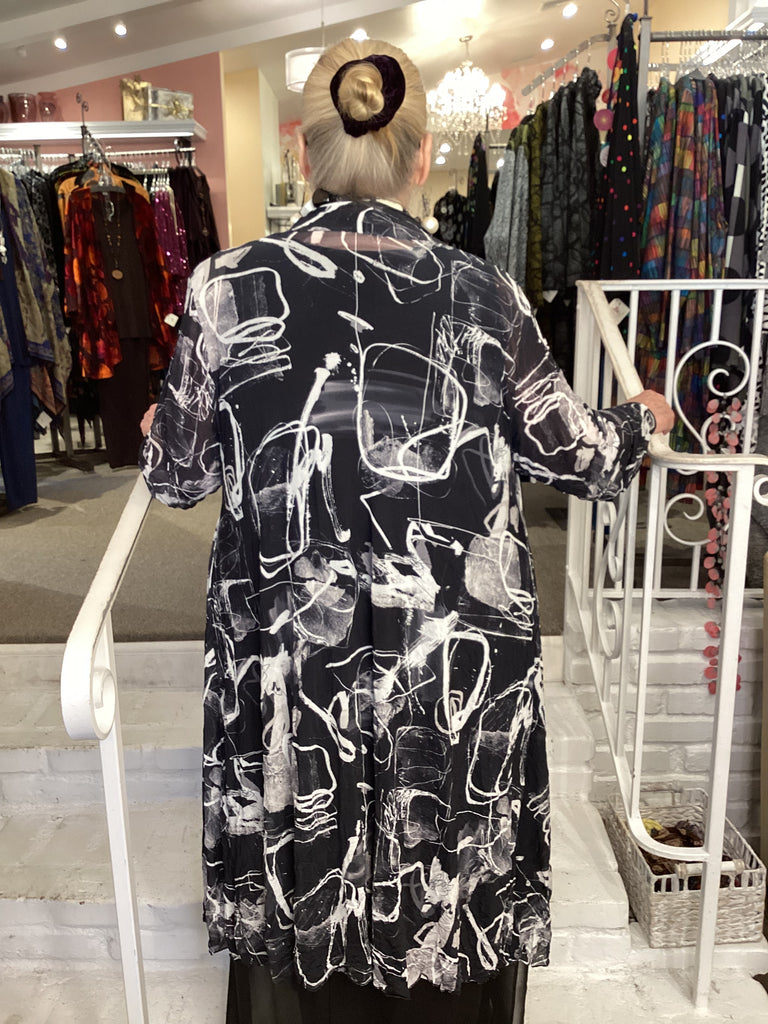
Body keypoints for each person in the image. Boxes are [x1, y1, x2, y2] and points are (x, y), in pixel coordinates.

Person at [139, 36, 674, 1024]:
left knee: (303, 856)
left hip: (294, 673)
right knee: (443, 863)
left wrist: (169, 426)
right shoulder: (484, 295)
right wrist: (643, 417)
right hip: (446, 672)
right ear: (423, 155)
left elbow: (176, 475)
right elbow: (581, 458)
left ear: (305, 152)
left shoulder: (222, 289)